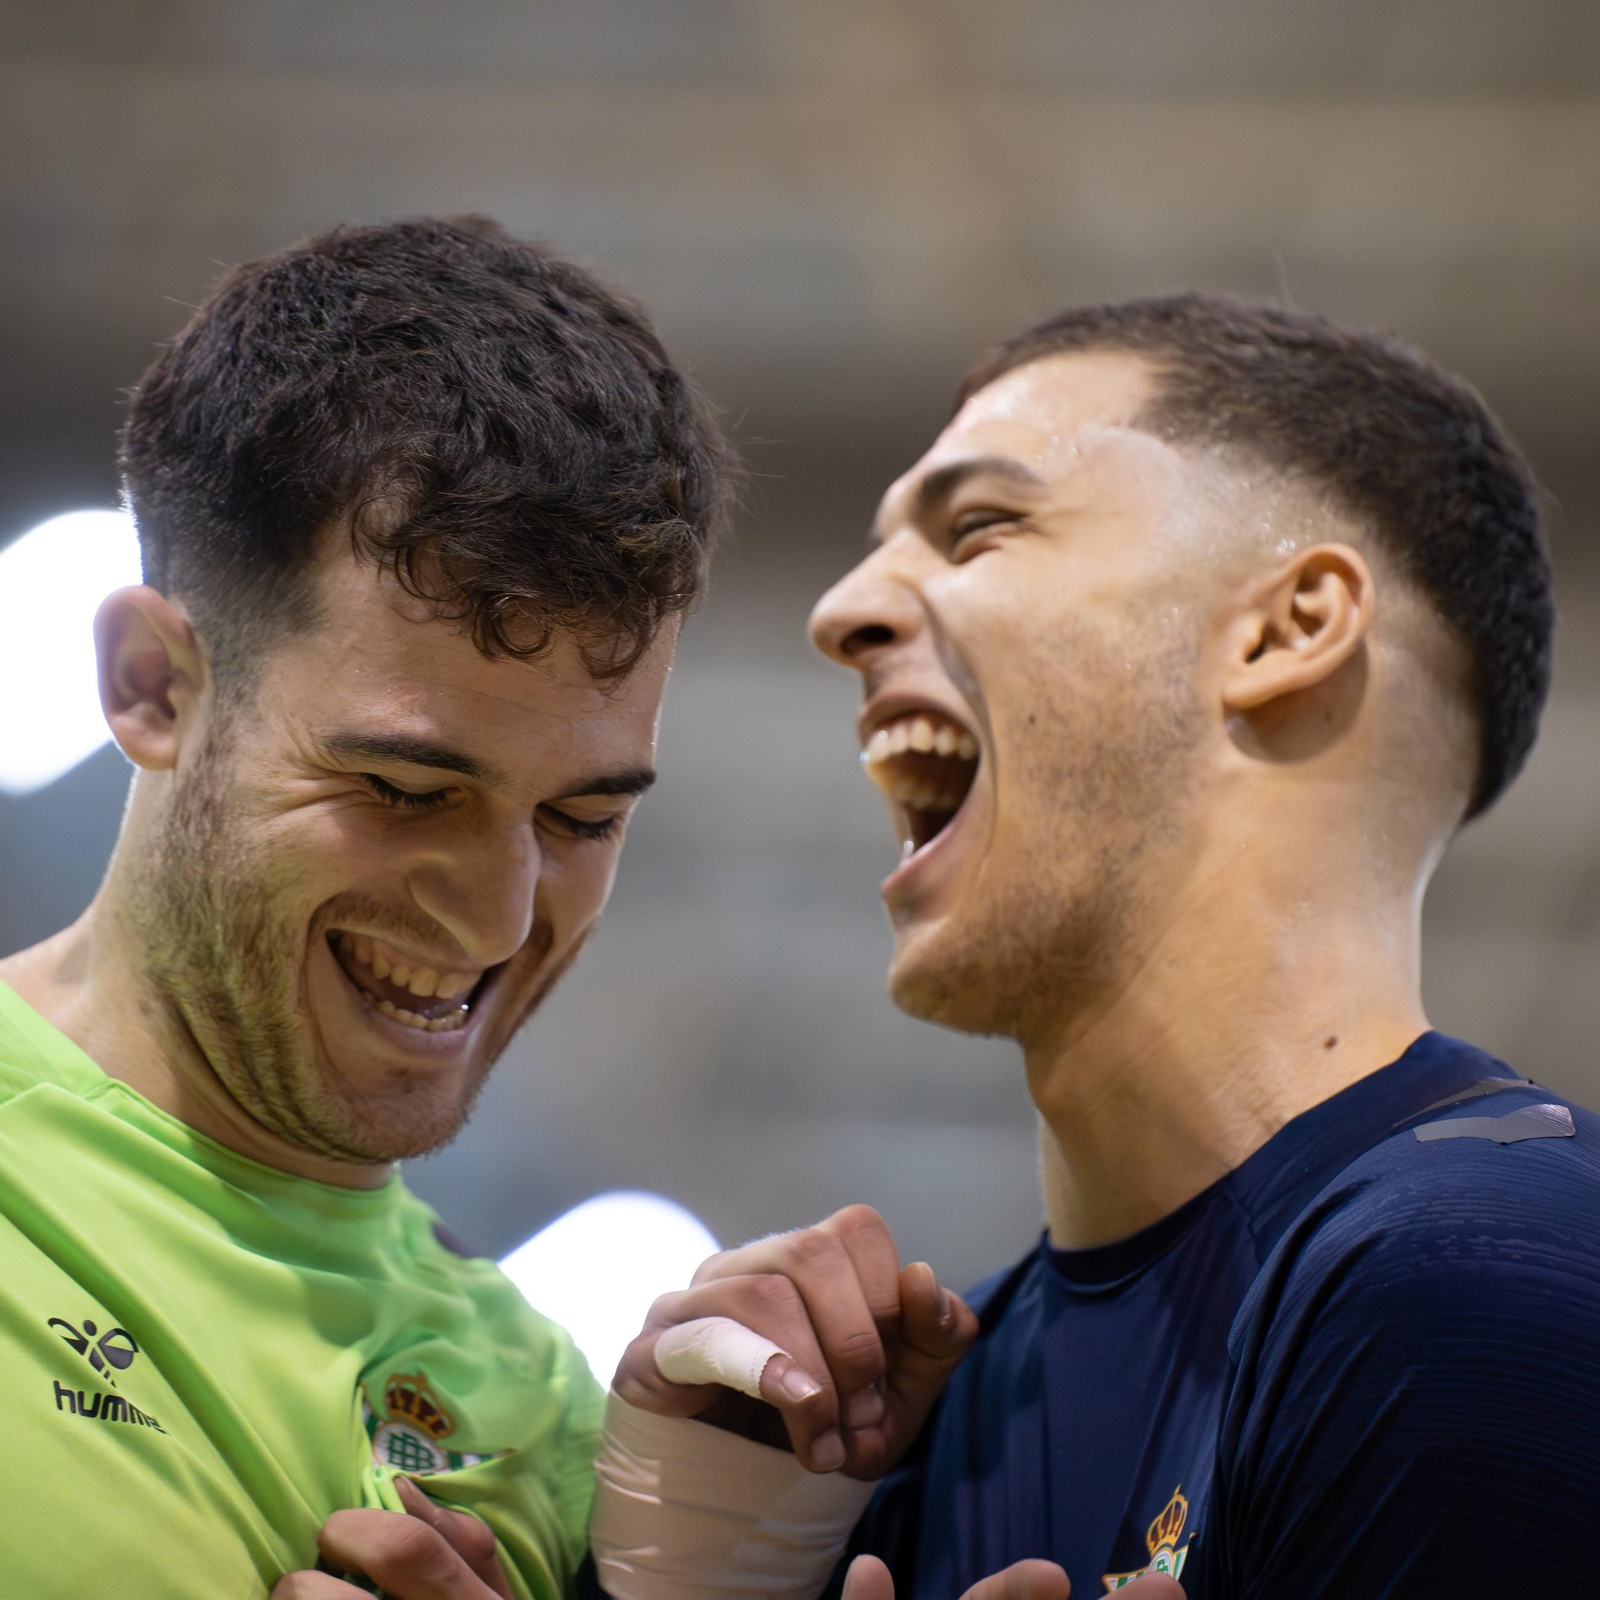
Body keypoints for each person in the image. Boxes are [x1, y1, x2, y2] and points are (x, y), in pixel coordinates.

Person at [596, 294, 1600, 1599]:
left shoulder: (1483, 1277)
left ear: (1287, 628)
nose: (841, 612)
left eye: (979, 526)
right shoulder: (910, 1426)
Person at [0, 214, 733, 1599]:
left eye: (583, 818)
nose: (497, 919)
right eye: (405, 789)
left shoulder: (554, 1414)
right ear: (152, 686)